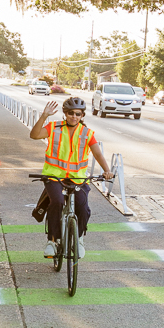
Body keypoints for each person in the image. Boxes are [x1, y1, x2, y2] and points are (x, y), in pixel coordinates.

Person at [30, 96, 114, 259]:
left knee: (82, 208)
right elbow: (34, 135)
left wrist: (107, 170)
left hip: (77, 179)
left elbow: (97, 153)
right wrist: (44, 116)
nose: (73, 116)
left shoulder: (87, 133)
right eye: (70, 113)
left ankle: (79, 238)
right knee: (57, 202)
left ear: (82, 115)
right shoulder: (54, 127)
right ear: (65, 114)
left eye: (77, 113)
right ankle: (52, 241)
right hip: (54, 177)